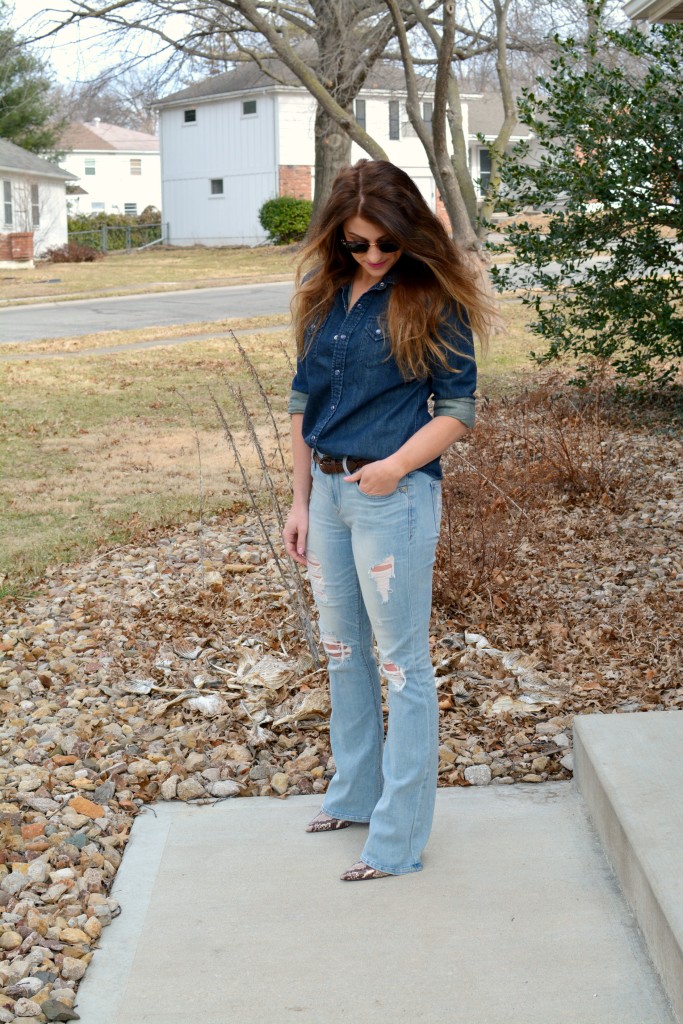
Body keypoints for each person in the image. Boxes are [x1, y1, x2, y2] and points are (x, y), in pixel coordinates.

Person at [282, 159, 494, 881]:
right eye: (356, 244)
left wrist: (397, 466)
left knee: (402, 665)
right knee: (343, 652)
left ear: (410, 235)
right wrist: (299, 500)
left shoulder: (431, 299)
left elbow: (458, 411)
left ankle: (398, 839)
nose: (371, 256)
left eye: (384, 244)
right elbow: (299, 405)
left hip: (390, 500)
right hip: (330, 494)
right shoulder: (324, 296)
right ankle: (356, 793)